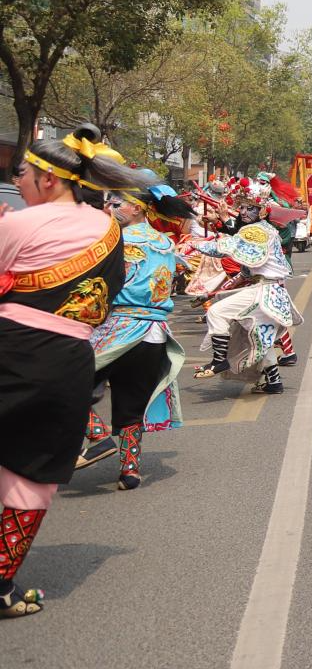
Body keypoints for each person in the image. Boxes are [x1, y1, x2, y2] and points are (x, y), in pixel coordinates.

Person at [0, 124, 159, 617]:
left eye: (22, 173)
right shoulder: (109, 229)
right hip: (70, 360)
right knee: (34, 472)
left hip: (12, 348)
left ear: (49, 180)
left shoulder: (20, 225)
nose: (18, 181)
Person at [77, 182, 190, 489]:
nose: (110, 209)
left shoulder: (115, 241)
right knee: (131, 402)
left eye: (116, 204)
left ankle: (98, 436)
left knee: (62, 382)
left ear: (137, 208)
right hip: (153, 334)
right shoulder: (165, 243)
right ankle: (130, 470)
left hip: (120, 327)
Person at [192, 212, 302, 394]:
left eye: (249, 207)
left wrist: (192, 244)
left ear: (262, 211)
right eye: (241, 206)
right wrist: (211, 294)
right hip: (267, 289)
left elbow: (222, 248)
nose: (243, 210)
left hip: (265, 290)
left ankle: (219, 361)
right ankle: (274, 382)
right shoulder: (259, 229)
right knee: (260, 338)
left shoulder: (258, 231)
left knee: (217, 312)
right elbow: (244, 274)